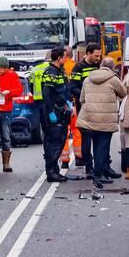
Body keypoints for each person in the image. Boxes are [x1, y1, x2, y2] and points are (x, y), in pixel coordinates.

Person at [78, 57, 127, 182]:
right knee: (102, 148)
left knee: (94, 146)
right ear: (112, 67)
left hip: (88, 118)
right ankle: (98, 175)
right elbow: (123, 93)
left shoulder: (87, 79)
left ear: (100, 65)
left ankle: (94, 170)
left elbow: (82, 99)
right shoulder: (114, 79)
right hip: (105, 119)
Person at [65, 43, 103, 172]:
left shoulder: (99, 65)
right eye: (96, 55)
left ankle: (101, 166)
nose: (99, 58)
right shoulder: (78, 68)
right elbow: (72, 87)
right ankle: (89, 167)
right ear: (89, 53)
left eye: (100, 55)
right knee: (86, 139)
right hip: (85, 108)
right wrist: (87, 95)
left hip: (98, 108)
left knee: (99, 138)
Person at [41, 47, 72, 183]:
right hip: (54, 111)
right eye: (65, 57)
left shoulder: (60, 71)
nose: (66, 59)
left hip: (61, 109)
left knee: (59, 140)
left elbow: (62, 90)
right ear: (59, 58)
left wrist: (67, 103)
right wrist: (51, 112)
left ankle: (54, 171)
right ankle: (52, 172)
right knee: (54, 142)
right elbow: (47, 93)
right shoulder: (50, 72)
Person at [0, 57, 24, 173]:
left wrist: (9, 92)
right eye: (0, 69)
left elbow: (19, 90)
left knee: (6, 136)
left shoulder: (12, 75)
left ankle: (6, 163)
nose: (2, 71)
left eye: (4, 69)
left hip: (5, 110)